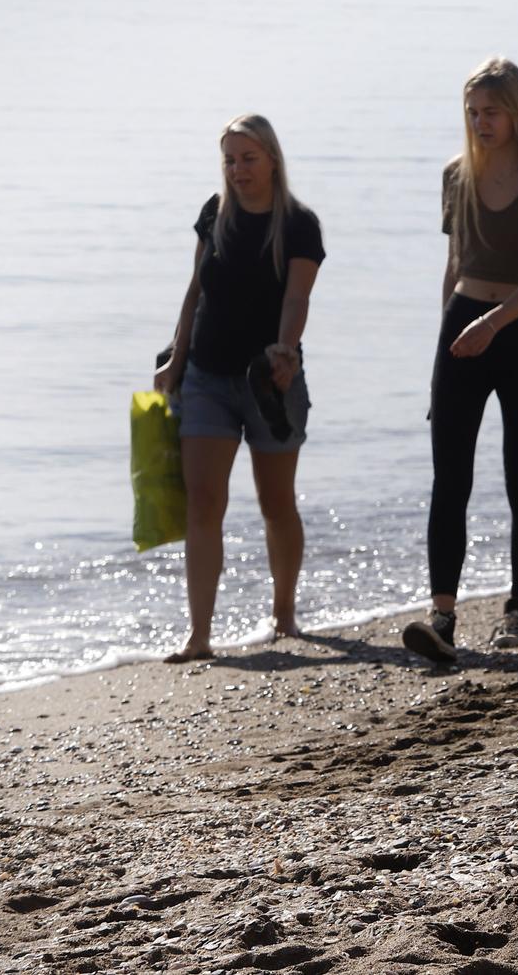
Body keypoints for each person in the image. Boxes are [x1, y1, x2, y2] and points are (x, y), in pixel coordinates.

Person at [402, 58, 518, 665]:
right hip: (461, 332)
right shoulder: (457, 176)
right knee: (449, 480)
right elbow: (454, 267)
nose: (480, 122)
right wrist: (447, 344)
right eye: (473, 112)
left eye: (491, 112)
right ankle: (442, 617)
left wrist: (491, 326)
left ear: (517, 112)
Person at [152, 115, 324, 663]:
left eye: (248, 158)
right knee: (204, 502)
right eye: (229, 159)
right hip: (205, 376)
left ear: (272, 158)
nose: (238, 169)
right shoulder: (215, 214)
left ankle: (284, 614)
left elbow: (297, 299)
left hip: (269, 381)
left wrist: (285, 350)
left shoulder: (298, 223)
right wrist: (176, 360)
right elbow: (194, 293)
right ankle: (199, 636)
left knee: (277, 503)